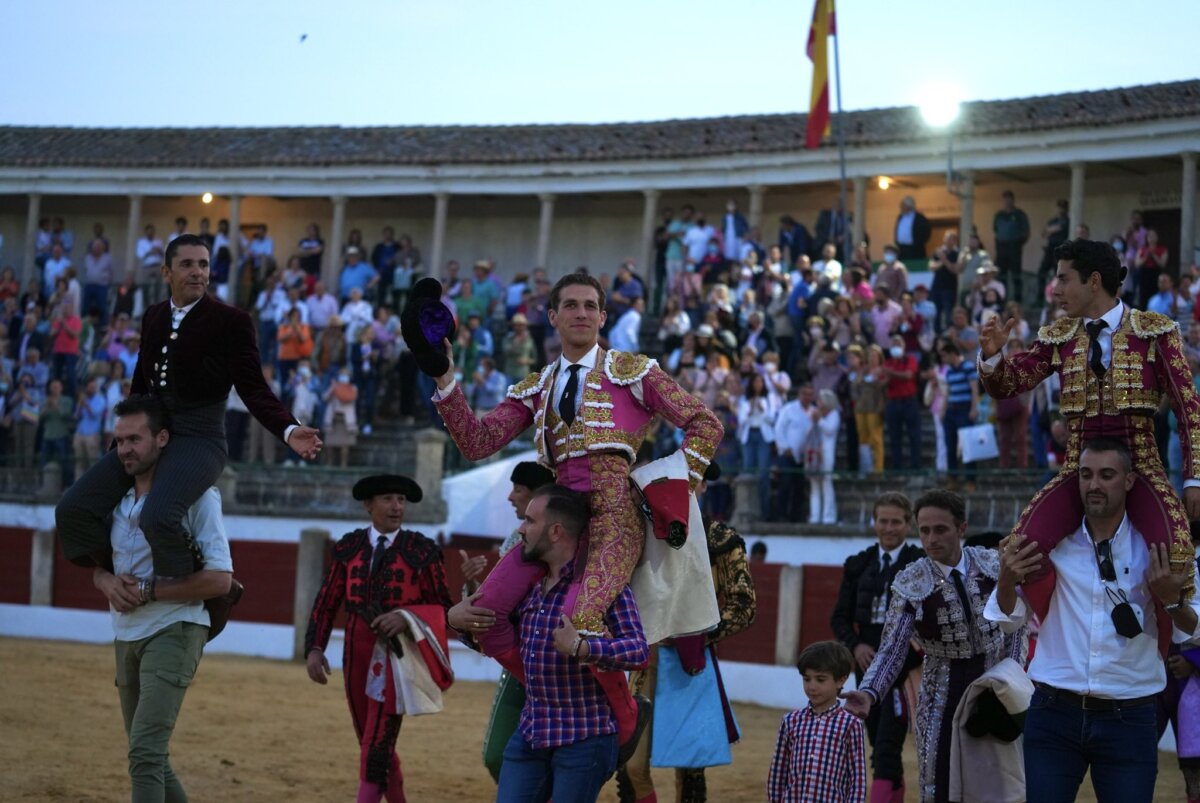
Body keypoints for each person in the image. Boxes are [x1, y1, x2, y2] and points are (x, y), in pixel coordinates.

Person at [430, 271, 722, 749]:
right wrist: (444, 377)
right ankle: (555, 697)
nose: (582, 313)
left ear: (604, 317)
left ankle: (626, 717)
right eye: (571, 305)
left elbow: (704, 423)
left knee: (580, 620)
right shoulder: (537, 386)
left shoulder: (633, 370)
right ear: (553, 317)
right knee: (483, 613)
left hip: (615, 518)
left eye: (591, 306)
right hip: (555, 520)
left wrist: (675, 487)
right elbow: (476, 441)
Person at [56, 234, 323, 577]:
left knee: (157, 516)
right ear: (166, 272)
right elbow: (140, 386)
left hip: (200, 439)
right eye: (187, 264)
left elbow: (254, 388)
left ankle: (187, 593)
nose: (198, 272)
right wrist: (118, 445)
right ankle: (120, 572)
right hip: (150, 435)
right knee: (71, 509)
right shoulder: (153, 315)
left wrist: (288, 429)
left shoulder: (232, 321)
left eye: (204, 264)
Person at [978, 238, 1200, 619]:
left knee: (1176, 554)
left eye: (1064, 279)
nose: (1055, 289)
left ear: (1094, 281)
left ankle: (1168, 648)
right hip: (1078, 468)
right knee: (1020, 549)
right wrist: (994, 356)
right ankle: (1053, 626)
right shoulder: (1058, 337)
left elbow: (1188, 408)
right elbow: (1008, 385)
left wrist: (1195, 478)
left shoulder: (1155, 332)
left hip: (1141, 466)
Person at [986, 438, 1200, 803]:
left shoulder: (1158, 548)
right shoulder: (1051, 544)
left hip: (1129, 717)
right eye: (1085, 475)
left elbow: (1193, 626)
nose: (1094, 485)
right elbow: (1007, 617)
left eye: (1106, 475)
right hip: (1054, 713)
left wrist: (1169, 601)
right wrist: (1005, 581)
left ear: (1130, 480)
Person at [450, 484, 649, 803]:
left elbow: (638, 651)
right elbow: (493, 636)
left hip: (586, 736)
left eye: (530, 521)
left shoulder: (604, 588)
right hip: (532, 731)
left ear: (556, 531)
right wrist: (455, 619)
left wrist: (583, 648)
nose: (520, 528)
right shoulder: (526, 587)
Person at [90, 395, 234, 802]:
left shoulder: (198, 497)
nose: (125, 450)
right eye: (119, 441)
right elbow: (99, 566)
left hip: (176, 627)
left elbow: (221, 581)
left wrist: (152, 590)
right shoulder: (114, 499)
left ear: (163, 438)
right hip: (125, 633)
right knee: (151, 756)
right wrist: (104, 581)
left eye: (135, 439)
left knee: (145, 753)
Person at [842, 489, 1028, 803]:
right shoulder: (911, 582)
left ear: (962, 529)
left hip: (995, 691)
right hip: (942, 695)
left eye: (940, 529)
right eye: (924, 531)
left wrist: (1010, 678)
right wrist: (870, 691)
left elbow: (1014, 628)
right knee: (939, 785)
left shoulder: (992, 566)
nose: (930, 539)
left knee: (1000, 785)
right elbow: (893, 647)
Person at [304, 474, 453, 803]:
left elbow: (443, 607)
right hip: (356, 649)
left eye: (401, 500)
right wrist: (315, 648)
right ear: (368, 505)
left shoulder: (422, 550)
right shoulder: (349, 547)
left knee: (376, 744)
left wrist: (405, 616)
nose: (397, 506)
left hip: (397, 654)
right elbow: (326, 602)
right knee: (369, 742)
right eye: (388, 499)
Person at [619, 463, 757, 803]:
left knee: (691, 767)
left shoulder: (721, 540)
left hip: (690, 662)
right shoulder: (639, 535)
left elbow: (744, 605)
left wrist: (693, 633)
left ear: (702, 489)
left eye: (689, 486)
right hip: (643, 658)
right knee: (630, 762)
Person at [830, 492, 923, 803]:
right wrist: (856, 647)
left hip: (904, 669)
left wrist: (903, 658)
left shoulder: (921, 566)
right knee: (876, 741)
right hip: (866, 666)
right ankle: (894, 792)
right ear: (874, 523)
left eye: (896, 521)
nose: (889, 528)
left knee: (886, 746)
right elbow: (840, 618)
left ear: (908, 525)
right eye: (883, 521)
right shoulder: (859, 565)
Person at [768, 641, 866, 803]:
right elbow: (779, 770)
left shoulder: (851, 725)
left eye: (820, 680)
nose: (811, 687)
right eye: (807, 679)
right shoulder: (790, 721)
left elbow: (857, 778)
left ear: (841, 681)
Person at [992, 190, 1030, 303]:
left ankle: (1018, 299)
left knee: (1016, 274)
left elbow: (1026, 232)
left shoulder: (1019, 214)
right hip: (1001, 247)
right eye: (1005, 199)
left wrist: (1018, 243)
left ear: (1013, 200)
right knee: (1001, 274)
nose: (1007, 201)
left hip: (1015, 246)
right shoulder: (999, 215)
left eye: (1009, 199)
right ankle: (1002, 298)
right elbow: (995, 229)